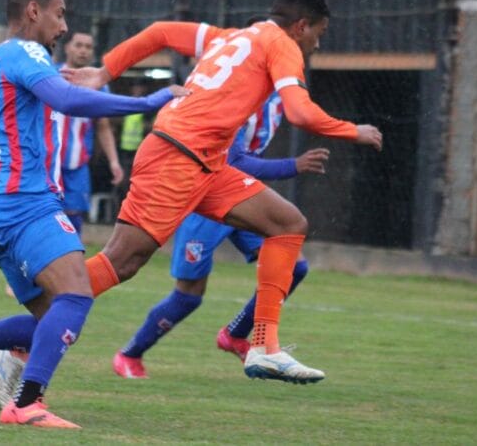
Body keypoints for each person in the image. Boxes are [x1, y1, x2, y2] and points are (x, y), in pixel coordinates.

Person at [60, 0, 382, 384]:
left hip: (206, 163)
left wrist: (105, 71)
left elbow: (161, 32)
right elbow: (299, 112)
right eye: (320, 31)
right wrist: (352, 130)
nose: (319, 41)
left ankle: (264, 347)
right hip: (177, 157)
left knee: (288, 224)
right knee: (123, 262)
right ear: (301, 26)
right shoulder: (283, 44)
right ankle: (25, 332)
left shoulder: (229, 35)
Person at [0, 0, 188, 429]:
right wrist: (146, 102)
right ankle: (25, 404)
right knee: (77, 297)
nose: (63, 27)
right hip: (25, 202)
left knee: (52, 323)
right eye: (59, 15)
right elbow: (65, 99)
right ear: (33, 12)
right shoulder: (27, 52)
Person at [113, 91, 330, 378]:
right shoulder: (238, 90)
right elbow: (234, 160)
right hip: (207, 195)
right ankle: (129, 354)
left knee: (294, 266)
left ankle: (235, 334)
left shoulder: (280, 93)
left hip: (244, 195)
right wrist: (293, 165)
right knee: (189, 294)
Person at [58, 31, 123, 235]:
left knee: (74, 217)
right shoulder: (50, 75)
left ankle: (69, 260)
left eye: (88, 47)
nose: (83, 50)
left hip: (77, 164)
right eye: (78, 45)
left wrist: (114, 161)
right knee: (42, 214)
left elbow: (103, 125)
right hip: (46, 162)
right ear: (67, 47)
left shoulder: (99, 86)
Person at [115, 83, 149, 208]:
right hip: (124, 150)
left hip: (139, 152)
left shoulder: (147, 108)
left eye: (139, 87)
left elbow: (150, 126)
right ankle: (120, 209)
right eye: (135, 87)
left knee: (135, 182)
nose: (137, 90)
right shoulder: (128, 106)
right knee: (123, 182)